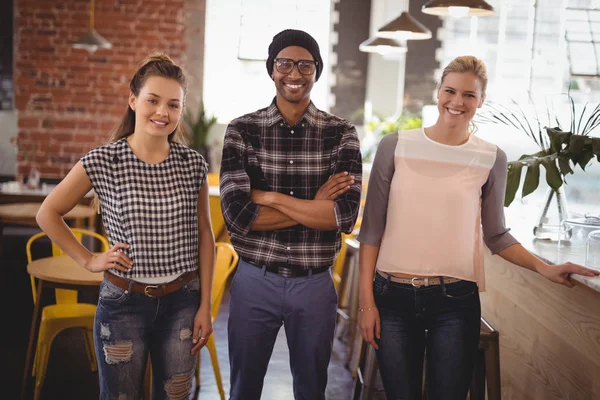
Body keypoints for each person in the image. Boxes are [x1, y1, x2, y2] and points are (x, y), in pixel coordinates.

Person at [356, 55, 600, 400]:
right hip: (392, 298)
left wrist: (545, 267)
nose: (457, 102)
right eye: (450, 91)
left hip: (455, 301)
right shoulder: (395, 146)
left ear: (481, 101)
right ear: (438, 92)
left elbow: (496, 235)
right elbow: (371, 232)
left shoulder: (491, 158)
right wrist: (367, 303)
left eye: (469, 95)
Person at [36, 53, 215, 399]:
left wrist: (205, 305)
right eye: (153, 100)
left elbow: (205, 235)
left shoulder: (193, 164)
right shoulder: (103, 160)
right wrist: (90, 260)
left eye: (173, 105)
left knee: (175, 395)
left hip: (182, 302)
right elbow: (48, 213)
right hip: (123, 304)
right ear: (133, 100)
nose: (163, 112)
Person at [219, 29, 362, 400]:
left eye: (305, 64)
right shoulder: (242, 131)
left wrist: (268, 197)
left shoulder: (341, 134)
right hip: (254, 281)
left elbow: (343, 216)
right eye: (284, 63)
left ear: (317, 71)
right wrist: (313, 204)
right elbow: (236, 217)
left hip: (314, 286)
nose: (294, 73)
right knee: (243, 389)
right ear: (271, 69)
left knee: (312, 390)